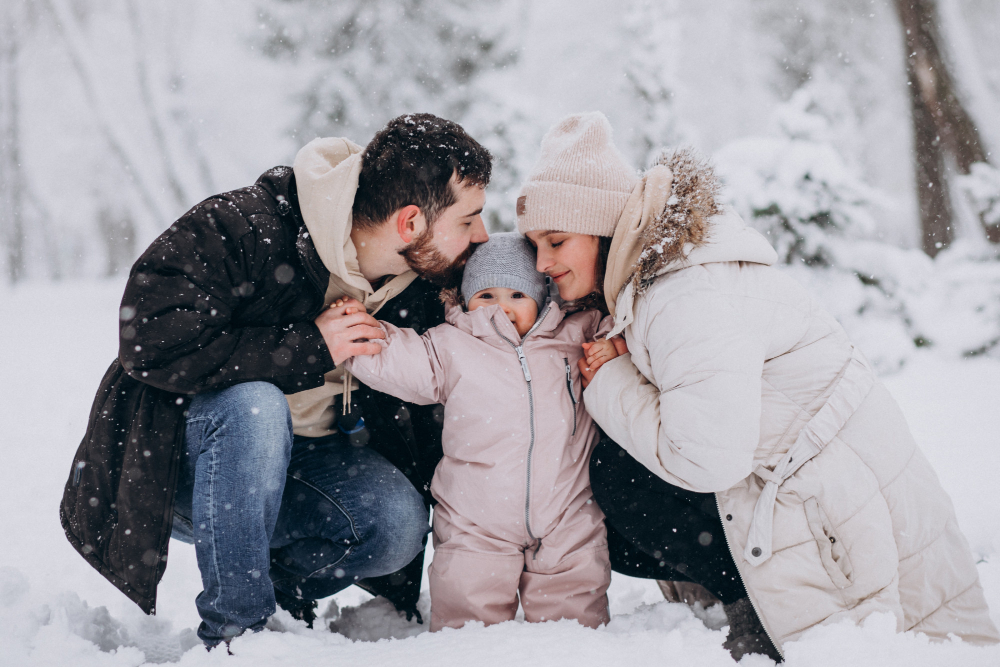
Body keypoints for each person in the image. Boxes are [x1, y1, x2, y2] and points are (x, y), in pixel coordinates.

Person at [516, 112, 999, 661]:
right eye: (534, 244)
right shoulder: (660, 281)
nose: (543, 262)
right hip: (825, 496)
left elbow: (706, 461)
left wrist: (609, 379)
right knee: (610, 480)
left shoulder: (682, 293)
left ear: (604, 230)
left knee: (618, 479)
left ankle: (751, 601)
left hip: (841, 519)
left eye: (556, 241)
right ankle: (741, 591)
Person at [60, 113, 491, 648]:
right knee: (254, 407)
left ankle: (278, 592)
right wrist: (309, 345)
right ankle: (240, 635)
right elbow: (148, 338)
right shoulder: (243, 227)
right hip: (182, 469)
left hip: (309, 467)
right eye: (469, 219)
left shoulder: (423, 284)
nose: (482, 235)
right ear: (410, 223)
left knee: (396, 524)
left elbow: (511, 321)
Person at [344, 233, 619, 630]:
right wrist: (360, 334)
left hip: (567, 512)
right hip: (476, 518)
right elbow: (402, 359)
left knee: (574, 617)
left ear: (542, 298)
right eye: (486, 296)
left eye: (516, 296)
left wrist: (615, 348)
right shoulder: (452, 345)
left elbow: (623, 331)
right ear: (466, 300)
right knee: (469, 617)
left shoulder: (576, 336)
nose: (501, 308)